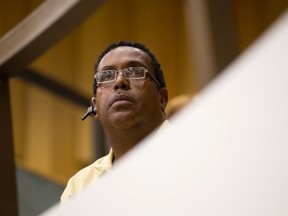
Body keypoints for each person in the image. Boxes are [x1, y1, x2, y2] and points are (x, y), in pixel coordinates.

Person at [61, 41, 169, 204]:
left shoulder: (196, 149)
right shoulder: (79, 188)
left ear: (161, 99)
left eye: (134, 71)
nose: (120, 81)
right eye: (106, 76)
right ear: (95, 106)